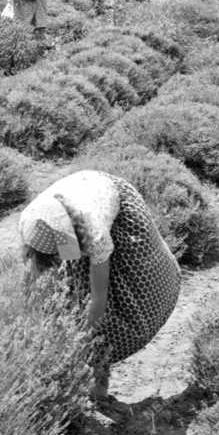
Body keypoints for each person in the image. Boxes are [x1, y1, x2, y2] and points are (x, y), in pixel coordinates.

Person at [20, 170, 180, 402]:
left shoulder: (93, 232)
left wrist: (77, 342)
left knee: (121, 295)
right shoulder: (31, 221)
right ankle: (91, 379)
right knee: (67, 293)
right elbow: (32, 281)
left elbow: (98, 300)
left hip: (111, 201)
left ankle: (98, 390)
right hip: (80, 200)